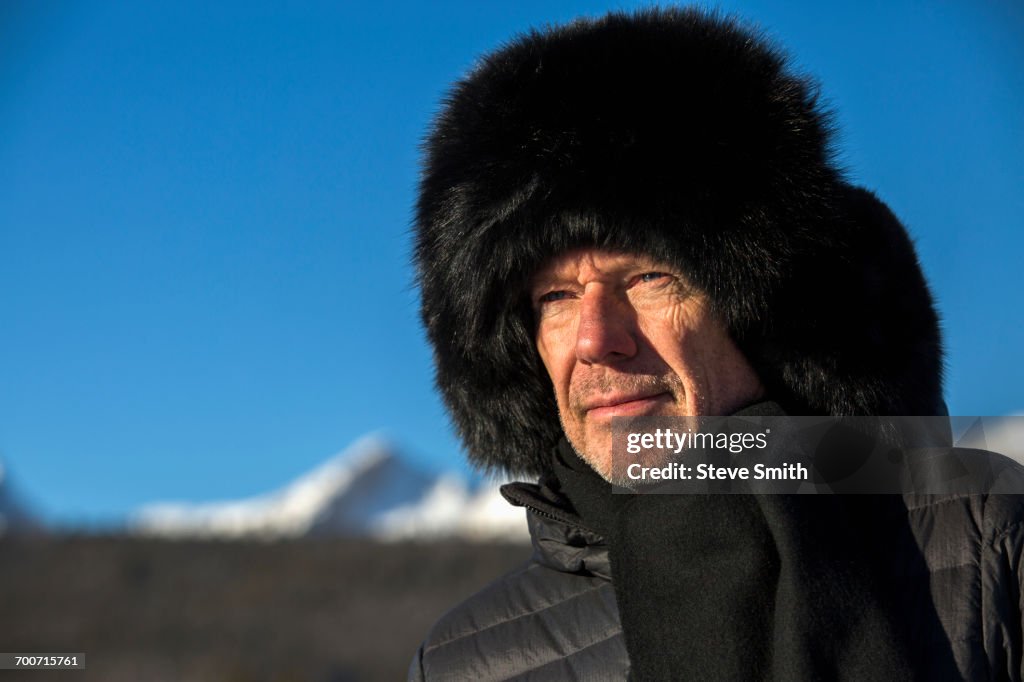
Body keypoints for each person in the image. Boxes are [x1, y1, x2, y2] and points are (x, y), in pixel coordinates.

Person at [408, 8, 1024, 680]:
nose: (594, 340)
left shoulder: (988, 539)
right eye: (554, 298)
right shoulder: (465, 664)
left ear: (762, 311)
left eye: (649, 278)